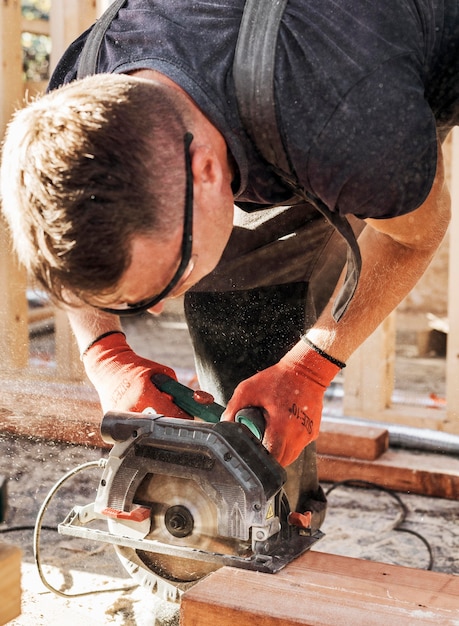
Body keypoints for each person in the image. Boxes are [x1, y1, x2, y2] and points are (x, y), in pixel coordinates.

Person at [0, 0, 455, 521]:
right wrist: (105, 353)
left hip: (378, 57)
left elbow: (412, 238)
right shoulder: (83, 90)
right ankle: (252, 525)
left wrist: (312, 367)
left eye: (171, 277)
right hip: (287, 91)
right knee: (243, 319)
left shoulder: (354, 127)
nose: (154, 312)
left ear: (207, 171)